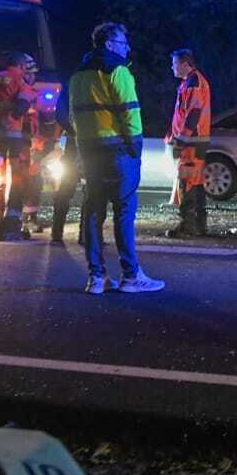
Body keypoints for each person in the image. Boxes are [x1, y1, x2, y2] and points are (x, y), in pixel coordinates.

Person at [55, 22, 164, 294]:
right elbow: (130, 112)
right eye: (123, 42)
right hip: (117, 149)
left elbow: (71, 115)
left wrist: (83, 142)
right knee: (124, 211)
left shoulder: (78, 76)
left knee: (93, 210)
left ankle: (96, 277)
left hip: (89, 149)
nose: (127, 47)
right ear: (109, 44)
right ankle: (131, 276)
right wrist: (135, 147)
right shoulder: (118, 70)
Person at [0, 51, 41, 240]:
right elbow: (22, 105)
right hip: (16, 135)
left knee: (0, 177)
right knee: (18, 178)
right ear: (21, 66)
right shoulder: (19, 81)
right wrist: (13, 120)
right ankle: (11, 224)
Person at [165, 48, 211, 238]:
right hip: (195, 140)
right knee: (196, 182)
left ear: (185, 64)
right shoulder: (190, 82)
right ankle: (199, 225)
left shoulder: (193, 83)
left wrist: (181, 139)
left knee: (188, 182)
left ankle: (188, 226)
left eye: (174, 63)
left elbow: (193, 113)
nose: (172, 67)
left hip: (191, 142)